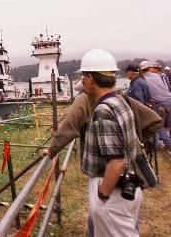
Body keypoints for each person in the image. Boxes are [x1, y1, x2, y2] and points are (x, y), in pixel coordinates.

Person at [44, 49, 161, 237]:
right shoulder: (122, 102)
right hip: (128, 184)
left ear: (90, 79)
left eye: (83, 77)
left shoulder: (103, 111)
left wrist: (102, 196)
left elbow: (116, 162)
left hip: (112, 188)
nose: (82, 81)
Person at [139, 60, 171, 149]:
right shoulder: (157, 76)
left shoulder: (143, 78)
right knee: (167, 125)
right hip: (169, 100)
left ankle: (166, 144)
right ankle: (160, 143)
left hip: (160, 103)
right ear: (150, 68)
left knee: (158, 125)